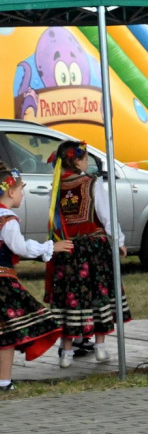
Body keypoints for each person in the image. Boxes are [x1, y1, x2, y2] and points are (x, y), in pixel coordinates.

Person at [47, 140, 131, 368]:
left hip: (67, 251)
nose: (87, 163)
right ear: (75, 160)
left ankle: (66, 353)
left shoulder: (56, 187)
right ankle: (100, 347)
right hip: (93, 251)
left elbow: (54, 223)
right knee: (98, 295)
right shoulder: (92, 183)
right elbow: (107, 216)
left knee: (71, 299)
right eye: (84, 158)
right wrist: (119, 241)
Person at [0, 163, 72, 391]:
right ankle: (3, 381)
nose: (23, 193)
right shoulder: (8, 220)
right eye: (22, 189)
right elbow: (20, 247)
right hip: (3, 283)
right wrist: (50, 246)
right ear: (11, 191)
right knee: (7, 335)